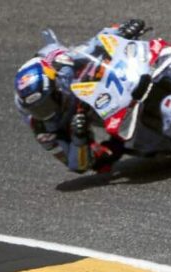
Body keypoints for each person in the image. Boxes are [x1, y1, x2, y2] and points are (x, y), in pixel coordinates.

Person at [13, 20, 147, 174]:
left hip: (80, 88)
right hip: (79, 114)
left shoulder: (61, 66)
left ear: (55, 87)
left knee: (107, 57)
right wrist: (79, 137)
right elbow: (75, 165)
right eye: (38, 110)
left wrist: (120, 32)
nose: (45, 112)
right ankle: (124, 139)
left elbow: (91, 46)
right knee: (99, 161)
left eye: (46, 105)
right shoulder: (42, 128)